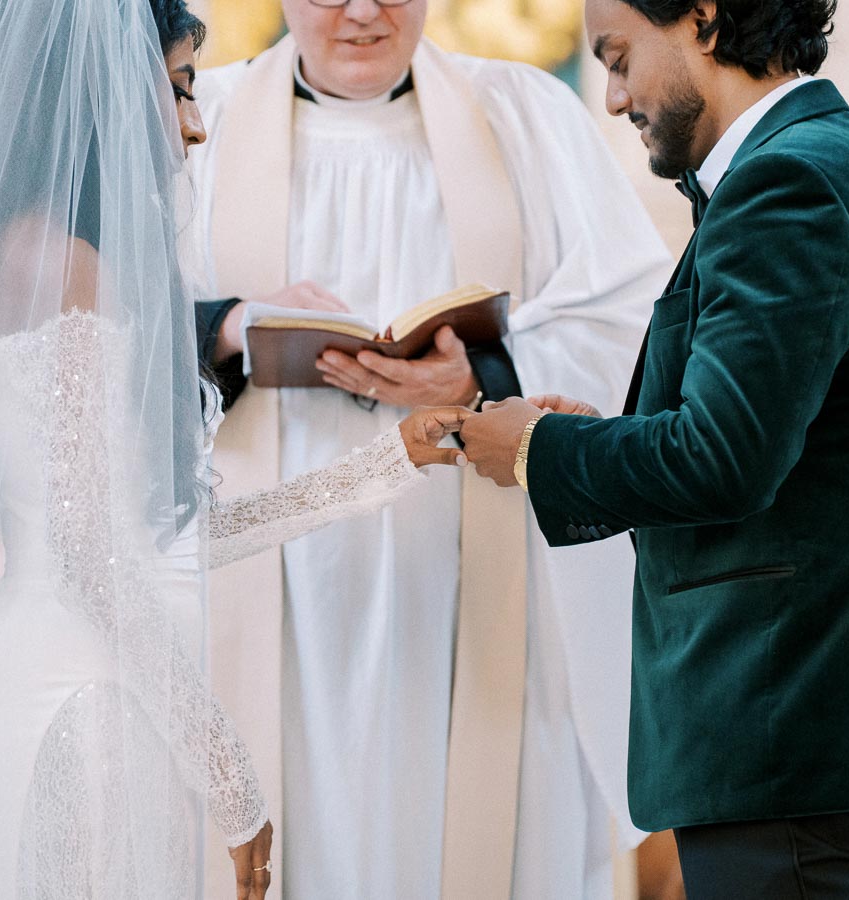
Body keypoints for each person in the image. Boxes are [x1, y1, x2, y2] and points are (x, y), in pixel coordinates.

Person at [0, 1, 469, 898]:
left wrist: (385, 467)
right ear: (96, 90)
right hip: (84, 715)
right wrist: (233, 783)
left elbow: (153, 542)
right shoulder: (66, 267)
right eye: (181, 89)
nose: (193, 125)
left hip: (72, 697)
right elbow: (92, 564)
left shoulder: (17, 255)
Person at [458, 0, 849, 896]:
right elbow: (766, 435)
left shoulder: (789, 185)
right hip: (809, 729)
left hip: (791, 719)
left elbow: (724, 460)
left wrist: (536, 448)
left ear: (702, 18)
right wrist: (587, 433)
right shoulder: (830, 162)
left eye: (620, 57)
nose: (617, 94)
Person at [187, 2, 672, 897]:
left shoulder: (526, 113)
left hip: (475, 579)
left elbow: (638, 323)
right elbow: (102, 332)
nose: (365, 11)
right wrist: (229, 328)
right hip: (272, 583)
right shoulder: (195, 120)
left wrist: (486, 369)